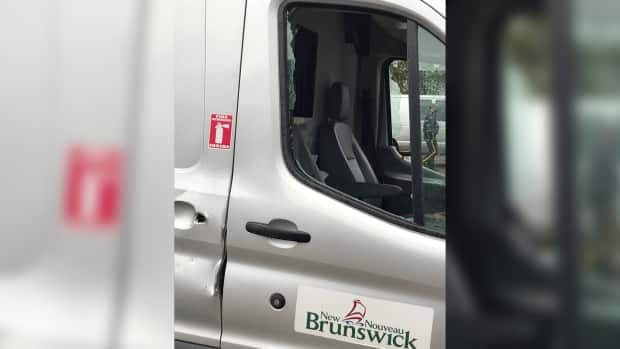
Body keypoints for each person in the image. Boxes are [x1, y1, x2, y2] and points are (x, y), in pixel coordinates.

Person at [423, 102, 439, 168]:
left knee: (432, 151)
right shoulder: (429, 115)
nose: (435, 108)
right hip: (430, 137)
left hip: (432, 136)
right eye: (434, 107)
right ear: (431, 108)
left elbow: (435, 125)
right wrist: (432, 135)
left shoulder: (433, 115)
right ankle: (423, 161)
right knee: (434, 151)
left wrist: (436, 129)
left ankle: (430, 164)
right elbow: (427, 127)